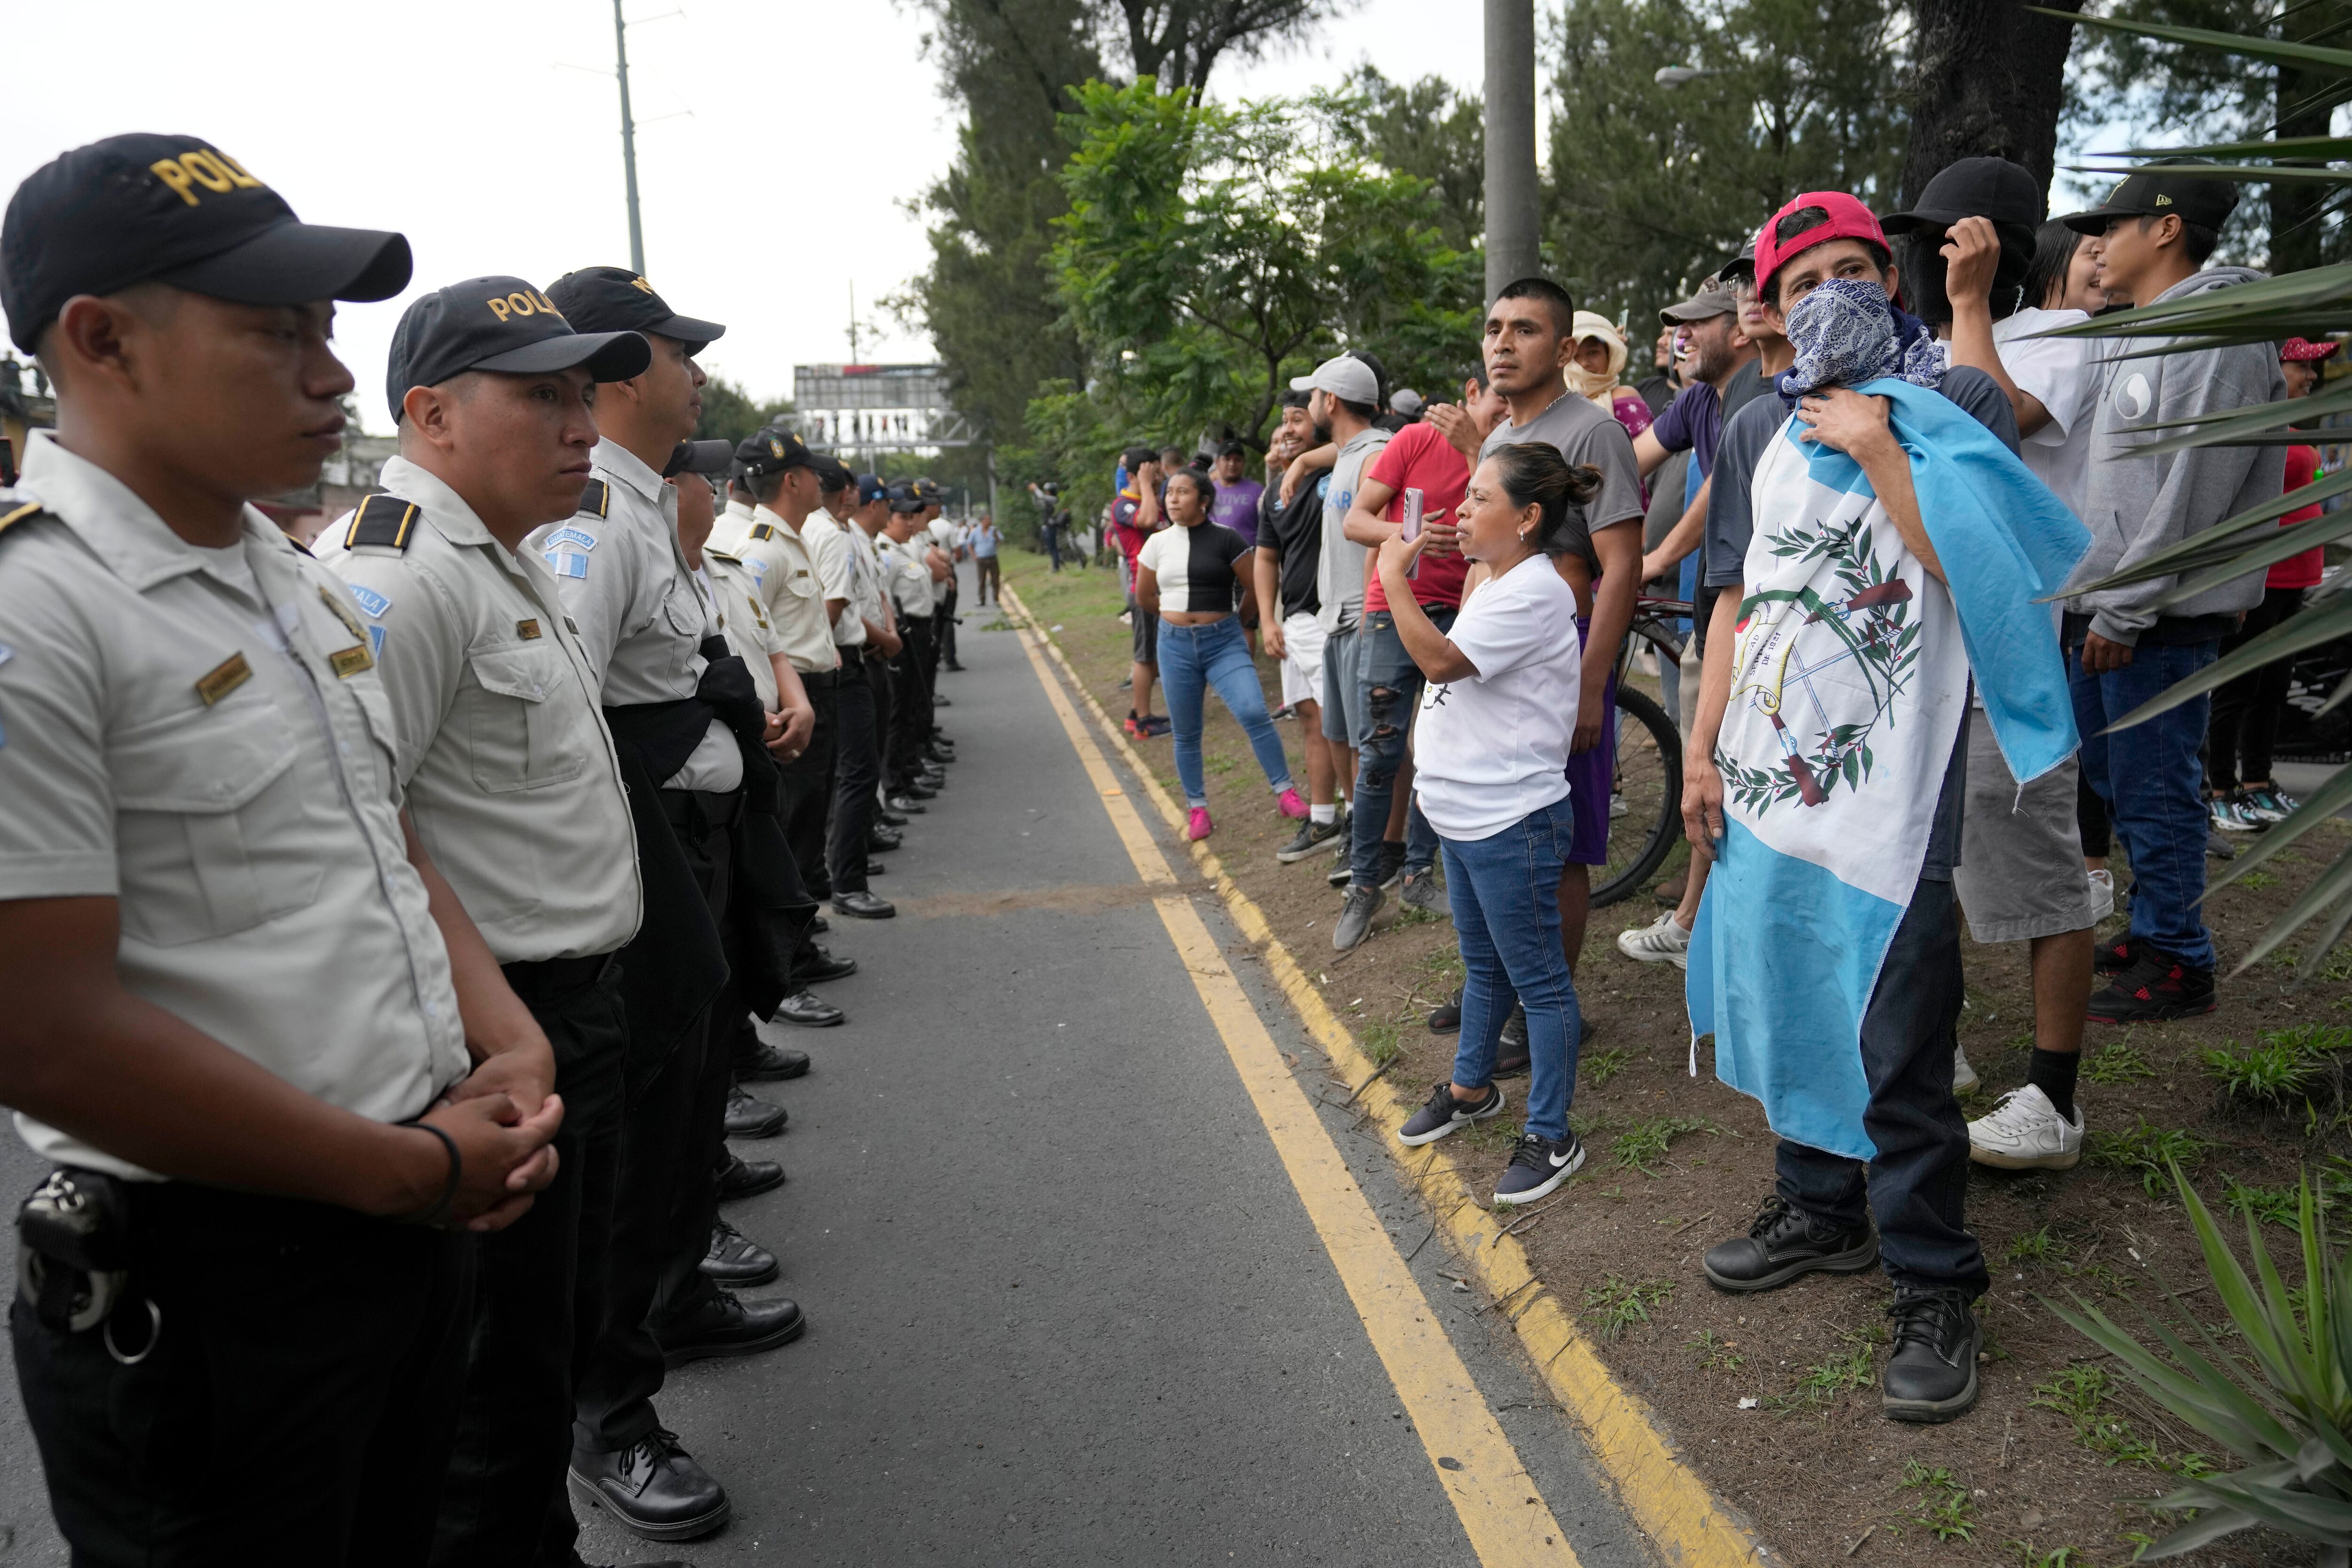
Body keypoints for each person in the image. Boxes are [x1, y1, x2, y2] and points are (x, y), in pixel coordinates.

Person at [0, 133, 562, 1563]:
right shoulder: (37, 616)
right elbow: (43, 1030)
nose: (327, 372)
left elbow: (381, 831)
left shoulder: (281, 577)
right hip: (214, 1280)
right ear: (101, 339)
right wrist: (401, 1171)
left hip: (405, 1211)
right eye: (273, 333)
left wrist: (502, 1039)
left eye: (326, 330)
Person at [1684, 190, 2079, 1427]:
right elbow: (1735, 602)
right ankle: (1820, 1205)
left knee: (1900, 1021)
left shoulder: (1948, 403)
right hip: (1770, 769)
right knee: (1795, 987)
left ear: (1893, 288)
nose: (1833, 295)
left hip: (1895, 787)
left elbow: (1981, 573)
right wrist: (1700, 752)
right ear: (1772, 312)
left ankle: (1932, 1272)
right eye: (1806, 283)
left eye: (1856, 270)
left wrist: (1878, 446)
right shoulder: (1751, 422)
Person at [310, 274, 662, 1566]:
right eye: (541, 395)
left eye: (584, 392)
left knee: (544, 1345)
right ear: (431, 412)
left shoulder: (500, 555)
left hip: (566, 1008)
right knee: (488, 1386)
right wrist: (488, 1038)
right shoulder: (393, 576)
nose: (581, 425)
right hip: (490, 1026)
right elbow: (361, 831)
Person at [525, 267, 803, 1545]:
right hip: (629, 845)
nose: (696, 372)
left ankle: (672, 1293)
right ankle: (611, 1413)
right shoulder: (593, 520)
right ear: (626, 369)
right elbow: (573, 715)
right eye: (678, 353)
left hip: (675, 837)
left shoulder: (644, 503)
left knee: (688, 1084)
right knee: (634, 1129)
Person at [1881, 159, 2109, 1151]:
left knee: (2040, 872)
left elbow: (1994, 424)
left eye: (1944, 241)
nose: (1925, 260)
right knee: (1929, 862)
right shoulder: (1924, 342)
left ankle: (2054, 1098)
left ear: (1991, 251)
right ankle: (1947, 1048)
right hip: (1922, 651)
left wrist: (1972, 302)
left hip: (2004, 654)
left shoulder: (2052, 335)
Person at [2061, 163, 2286, 1022]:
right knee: (2121, 780)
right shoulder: (2144, 324)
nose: (2098, 244)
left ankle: (2182, 962)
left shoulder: (2220, 332)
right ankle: (2156, 928)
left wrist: (2126, 605)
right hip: (2112, 604)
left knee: (2157, 788)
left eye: (2112, 228)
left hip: (2157, 617)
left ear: (2165, 229)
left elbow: (2195, 490)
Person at [1389, 446, 1596, 1203]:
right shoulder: (1499, 578)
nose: (1461, 512)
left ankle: (1552, 1132)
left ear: (1529, 517)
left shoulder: (1537, 591)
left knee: (1540, 982)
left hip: (1512, 821)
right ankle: (1473, 1089)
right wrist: (1474, 555)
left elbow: (1442, 663)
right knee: (1484, 968)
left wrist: (1390, 580)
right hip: (1465, 815)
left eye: (1479, 500)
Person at [1458, 279, 1647, 1009]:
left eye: (1525, 330)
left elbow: (1622, 566)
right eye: (1494, 328)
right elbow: (1483, 562)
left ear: (1566, 349)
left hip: (1561, 660)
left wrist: (1591, 687)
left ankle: (1546, 1008)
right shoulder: (1500, 440)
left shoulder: (1594, 430)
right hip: (1493, 660)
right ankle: (1493, 989)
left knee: (1558, 843)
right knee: (1495, 827)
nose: (1503, 342)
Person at [1333, 366, 1511, 930]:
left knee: (1439, 751)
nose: (1505, 414)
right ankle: (1363, 886)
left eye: (1512, 408)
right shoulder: (1413, 439)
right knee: (1380, 750)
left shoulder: (1502, 455)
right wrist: (1404, 539)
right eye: (1496, 403)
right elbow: (1356, 521)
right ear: (1470, 394)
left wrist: (1477, 450)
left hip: (1463, 614)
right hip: (1393, 610)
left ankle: (1416, 874)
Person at [2208, 336, 2336, 831]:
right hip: (2260, 580)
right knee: (2236, 689)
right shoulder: (2253, 428)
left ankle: (2257, 783)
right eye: (2300, 368)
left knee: (2272, 689)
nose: (2311, 379)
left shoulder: (2293, 428)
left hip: (2296, 580)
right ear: (2270, 365)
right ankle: (2220, 789)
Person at [1138, 469, 1308, 839]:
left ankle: (1286, 792)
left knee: (1253, 710)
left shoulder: (1226, 539)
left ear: (1204, 501)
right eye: (1170, 492)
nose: (1173, 498)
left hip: (1224, 641)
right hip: (1175, 644)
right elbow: (1145, 597)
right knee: (1186, 732)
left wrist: (1242, 620)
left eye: (1183, 492)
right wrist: (1176, 621)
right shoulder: (1157, 543)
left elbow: (1254, 584)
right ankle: (1197, 808)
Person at [1298, 355, 1391, 938]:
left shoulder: (1378, 454)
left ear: (1330, 401)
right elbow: (1341, 453)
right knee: (1337, 733)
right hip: (1335, 619)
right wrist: (1305, 459)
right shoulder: (1352, 452)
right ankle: (1360, 835)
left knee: (1370, 742)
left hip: (1362, 620)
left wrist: (1369, 616)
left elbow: (1382, 540)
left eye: (1312, 396)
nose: (1307, 406)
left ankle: (1376, 854)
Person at [1256, 390, 1349, 861]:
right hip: (1294, 623)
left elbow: (1360, 443)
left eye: (1298, 419)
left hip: (1331, 618)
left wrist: (1300, 465)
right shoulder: (1274, 492)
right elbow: (1266, 557)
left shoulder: (1340, 467)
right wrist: (1268, 619)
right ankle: (1322, 820)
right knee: (1312, 722)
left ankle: (1356, 820)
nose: (1289, 429)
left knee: (1341, 725)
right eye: (1284, 422)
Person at [1108, 447, 1168, 736]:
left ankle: (1136, 713)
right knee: (1145, 656)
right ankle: (1143, 721)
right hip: (1142, 589)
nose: (1159, 476)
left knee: (1154, 655)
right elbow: (1145, 522)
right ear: (1135, 476)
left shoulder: (1153, 500)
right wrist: (1145, 485)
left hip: (1161, 588)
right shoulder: (1124, 504)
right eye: (1154, 472)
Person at [1567, 310, 1655, 444]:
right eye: (1575, 356)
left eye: (1593, 353)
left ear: (1610, 356)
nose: (1585, 363)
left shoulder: (1623, 397)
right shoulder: (1551, 404)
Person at [1209, 439, 1263, 547]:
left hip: (1249, 557)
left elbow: (1277, 507)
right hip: (1214, 556)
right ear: (1217, 462)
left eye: (1237, 460)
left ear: (1244, 462)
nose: (1232, 464)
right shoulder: (1207, 490)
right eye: (1227, 459)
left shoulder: (1258, 490)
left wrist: (1282, 501)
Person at [970, 511, 1002, 603]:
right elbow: (970, 544)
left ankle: (996, 598)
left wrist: (996, 537)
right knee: (982, 580)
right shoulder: (975, 532)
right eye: (988, 519)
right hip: (981, 559)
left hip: (992, 557)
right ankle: (982, 599)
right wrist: (974, 555)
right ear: (983, 521)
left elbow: (999, 542)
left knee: (995, 579)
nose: (990, 521)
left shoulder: (994, 530)